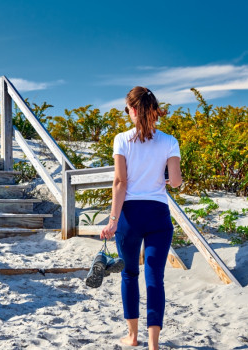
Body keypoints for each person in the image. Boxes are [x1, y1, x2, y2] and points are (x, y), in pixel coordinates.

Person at [101, 86, 182, 350]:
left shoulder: (121, 139)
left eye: (127, 109)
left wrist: (112, 220)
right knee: (155, 278)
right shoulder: (169, 141)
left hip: (130, 216)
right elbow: (177, 182)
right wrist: (163, 177)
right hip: (158, 214)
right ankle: (153, 344)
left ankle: (133, 337)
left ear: (133, 110)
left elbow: (120, 183)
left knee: (129, 275)